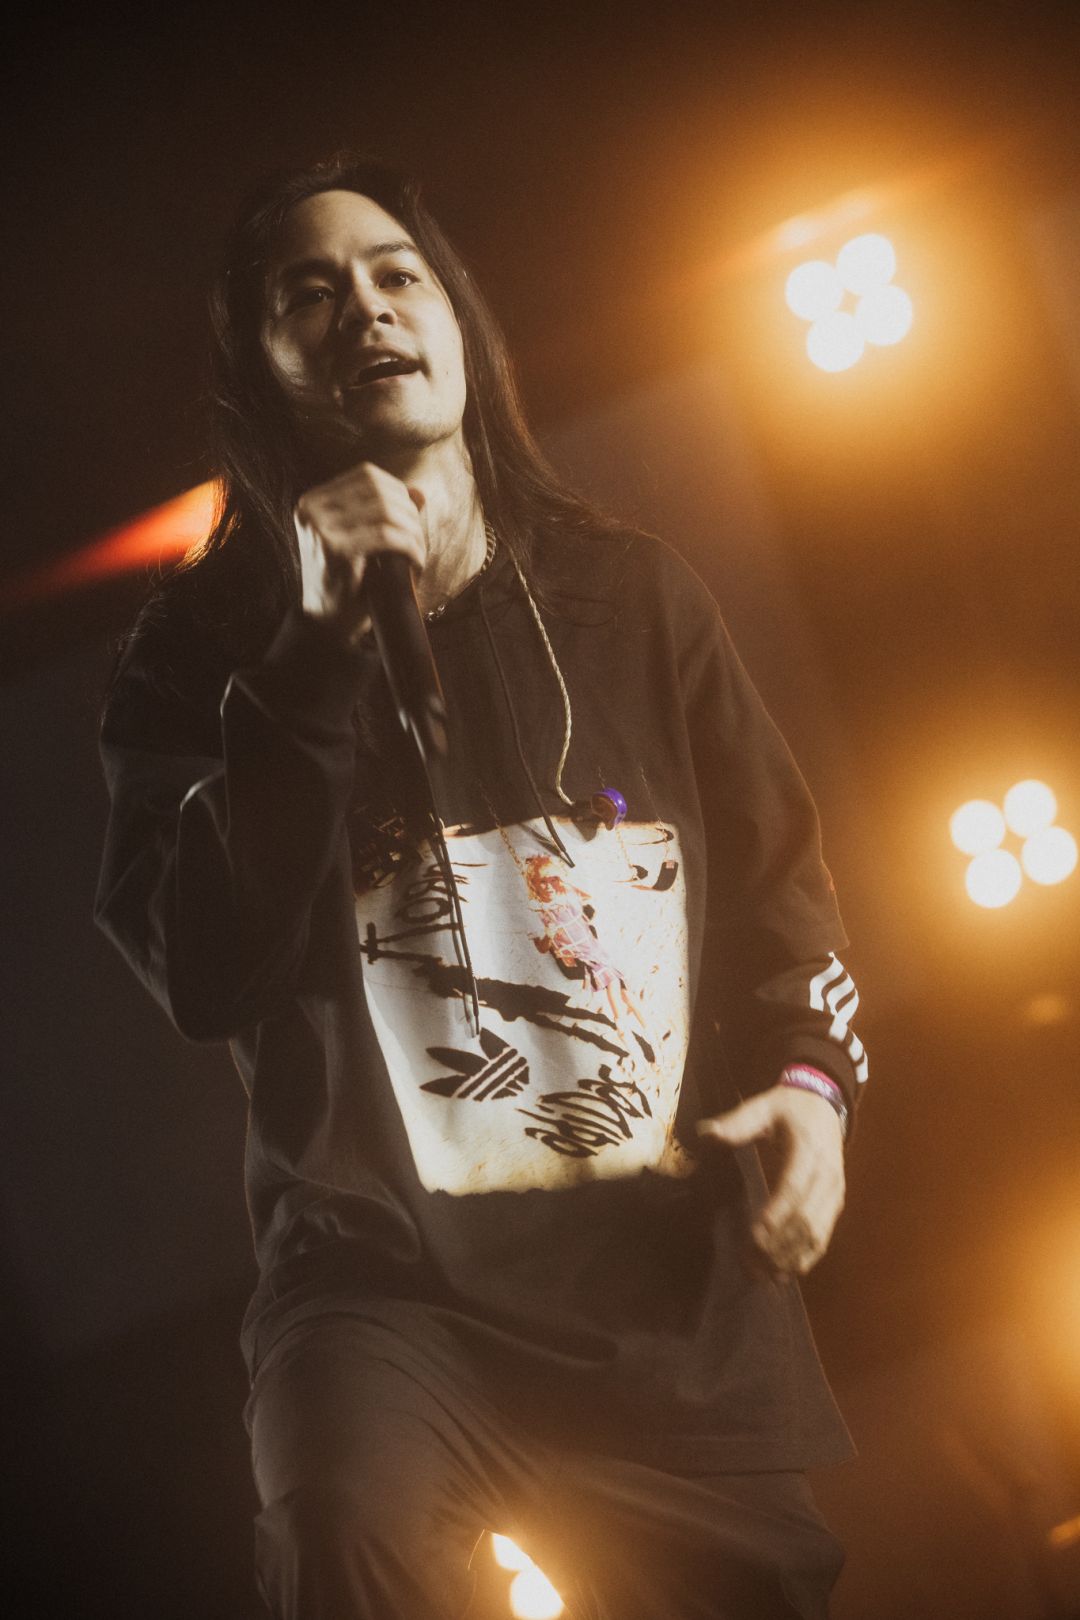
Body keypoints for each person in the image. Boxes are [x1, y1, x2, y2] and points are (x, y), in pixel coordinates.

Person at [95, 153, 868, 1620]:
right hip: (382, 1290)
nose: (364, 310)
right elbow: (203, 965)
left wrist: (813, 1088)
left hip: (659, 1291)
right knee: (343, 1510)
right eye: (307, 295)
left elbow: (786, 899)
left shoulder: (631, 593)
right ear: (256, 373)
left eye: (396, 275)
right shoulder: (195, 654)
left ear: (459, 320)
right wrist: (312, 652)